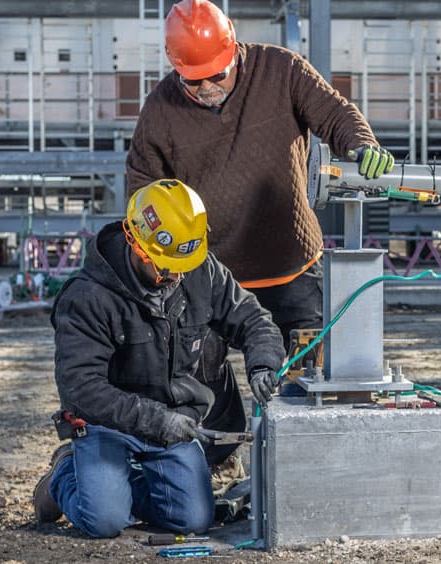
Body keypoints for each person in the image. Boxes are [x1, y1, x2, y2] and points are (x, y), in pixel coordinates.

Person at [126, 0, 394, 361]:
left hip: (291, 270)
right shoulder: (160, 109)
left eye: (217, 74)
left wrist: (361, 144)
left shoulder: (281, 70)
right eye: (193, 79)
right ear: (176, 67)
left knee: (307, 384)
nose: (207, 86)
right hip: (209, 277)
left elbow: (334, 113)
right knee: (197, 392)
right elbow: (143, 187)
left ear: (233, 50)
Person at [33, 179, 285, 538]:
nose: (177, 275)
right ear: (136, 244)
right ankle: (66, 475)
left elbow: (252, 318)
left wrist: (263, 362)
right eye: (165, 266)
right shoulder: (88, 296)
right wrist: (156, 421)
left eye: (185, 263)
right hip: (109, 423)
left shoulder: (199, 269)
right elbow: (80, 389)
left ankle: (116, 487)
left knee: (194, 519)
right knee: (104, 521)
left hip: (173, 421)